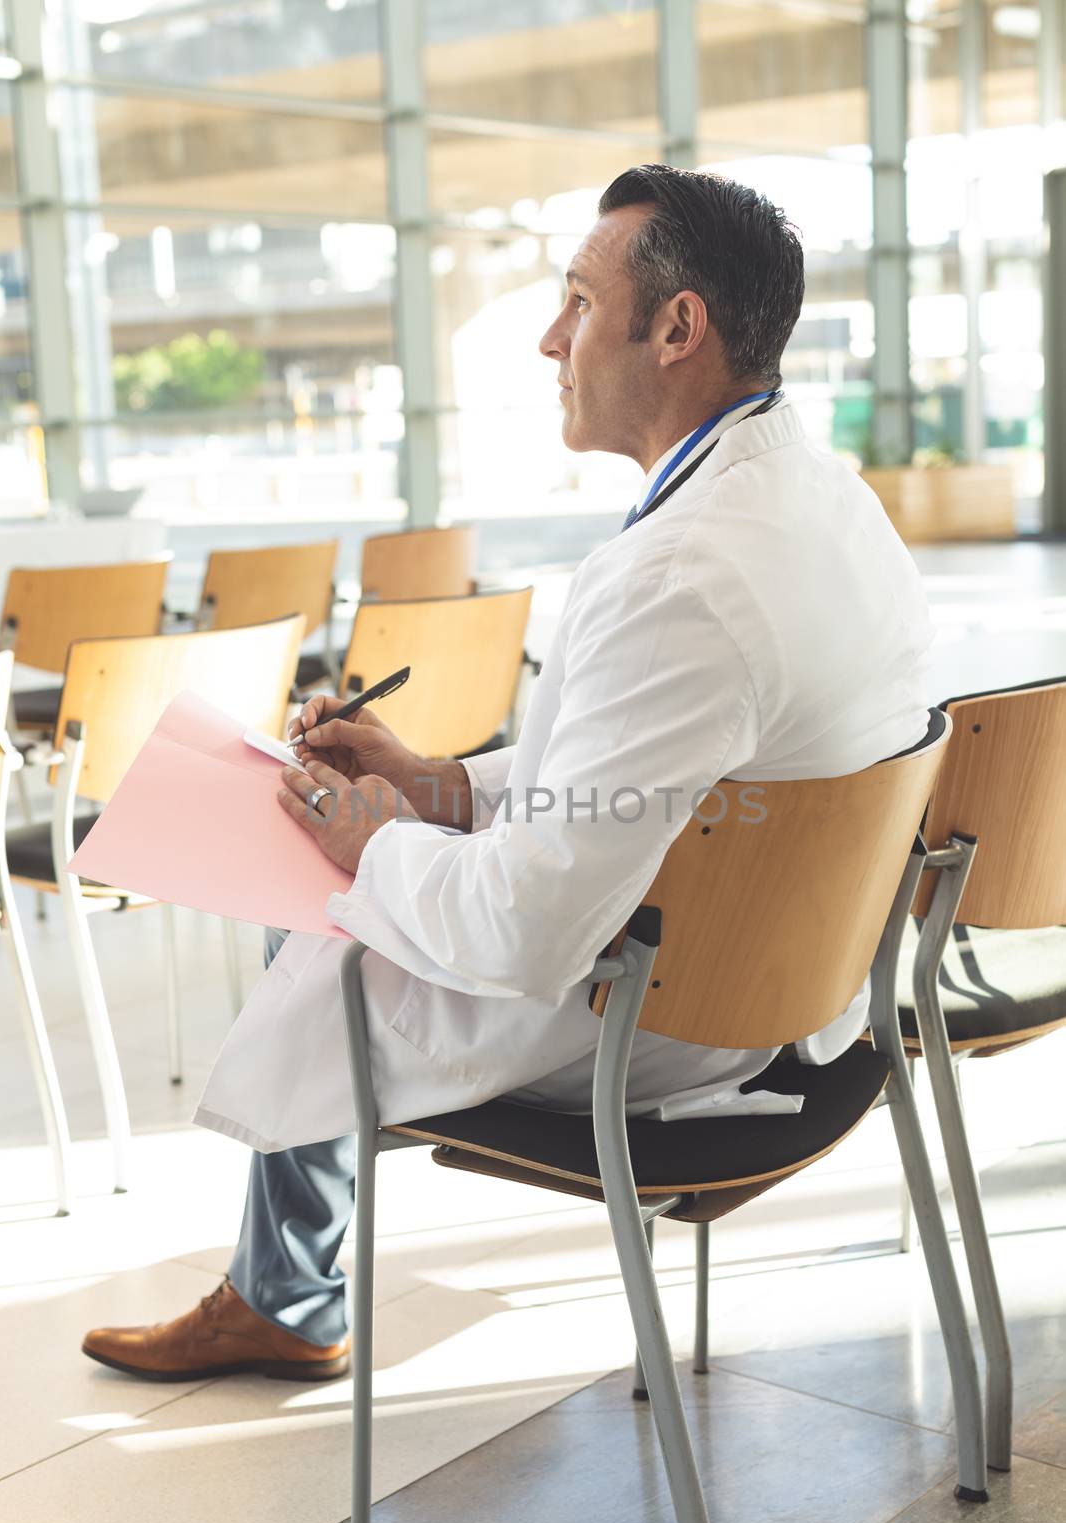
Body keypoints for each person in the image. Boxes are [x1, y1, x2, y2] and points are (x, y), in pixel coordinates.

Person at [82, 164, 933, 1381]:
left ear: (676, 326)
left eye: (577, 301)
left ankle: (286, 1297)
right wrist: (436, 786)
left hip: (689, 1022)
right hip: (806, 989)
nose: (550, 338)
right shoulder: (820, 499)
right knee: (353, 884)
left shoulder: (677, 574)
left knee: (308, 921)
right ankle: (282, 1288)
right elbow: (634, 772)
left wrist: (371, 842)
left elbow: (529, 927)